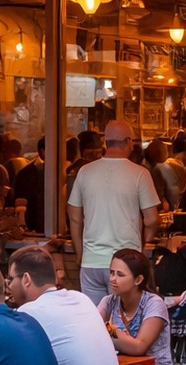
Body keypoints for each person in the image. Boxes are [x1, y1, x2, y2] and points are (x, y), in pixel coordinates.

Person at [68, 120, 159, 303]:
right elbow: (152, 220)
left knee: (96, 323)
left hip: (91, 263)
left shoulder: (84, 172)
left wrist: (80, 255)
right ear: (127, 141)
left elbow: (75, 218)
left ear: (106, 143)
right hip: (126, 264)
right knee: (123, 322)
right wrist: (140, 248)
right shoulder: (140, 173)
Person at [98, 248, 176, 365]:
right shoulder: (108, 302)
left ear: (138, 279)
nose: (112, 279)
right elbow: (92, 333)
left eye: (120, 274)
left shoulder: (153, 304)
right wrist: (108, 334)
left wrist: (111, 332)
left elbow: (139, 347)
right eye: (111, 273)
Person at [12, 137, 47, 232]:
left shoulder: (61, 172)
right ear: (42, 151)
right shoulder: (26, 174)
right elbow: (20, 202)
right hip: (33, 229)